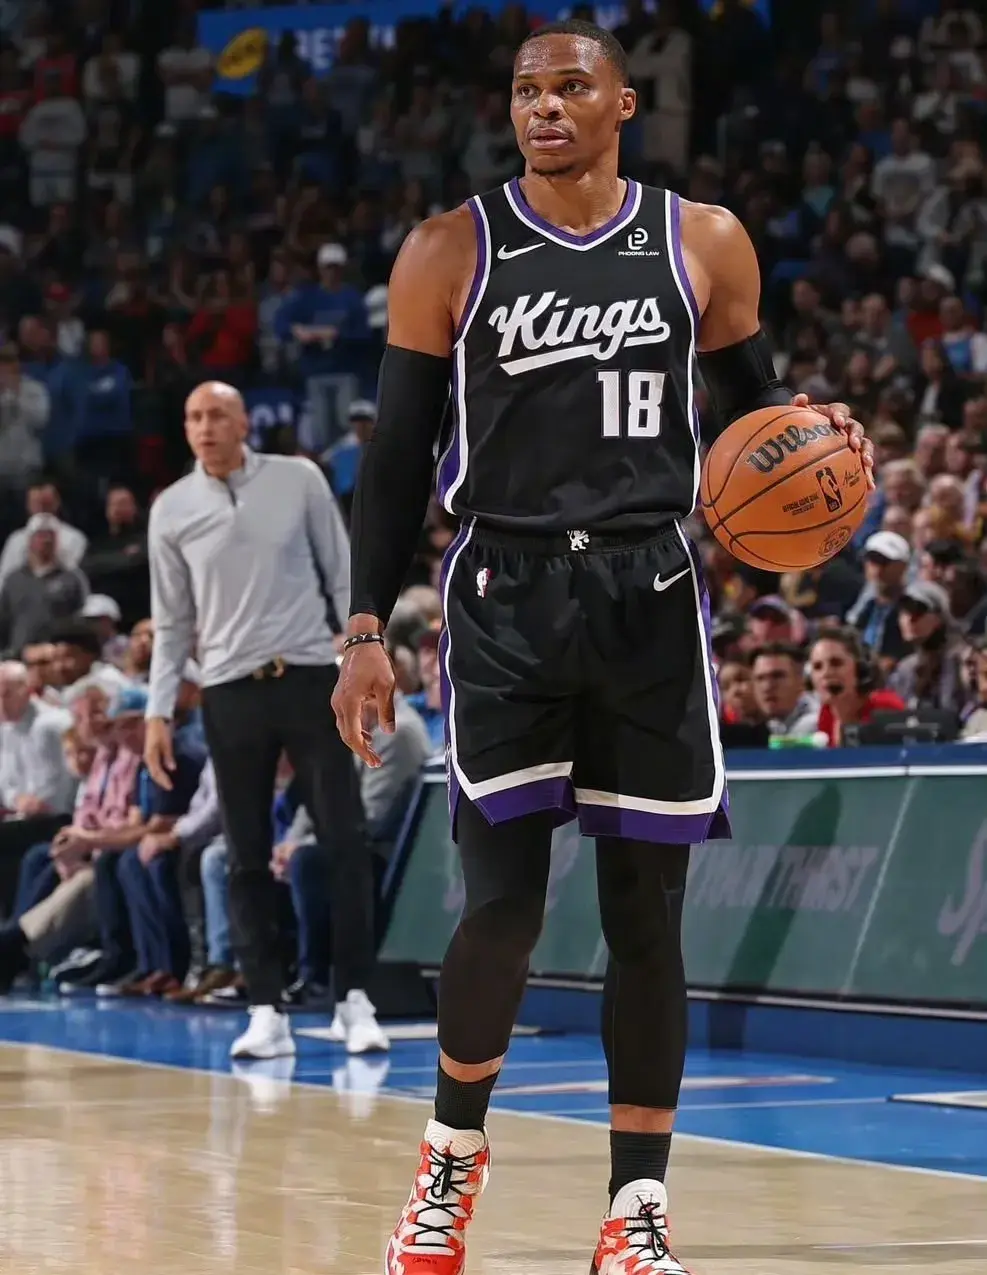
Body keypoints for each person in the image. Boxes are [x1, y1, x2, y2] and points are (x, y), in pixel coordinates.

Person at [330, 22, 872, 1275]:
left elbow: (755, 422)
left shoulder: (703, 241)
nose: (545, 107)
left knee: (646, 916)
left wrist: (816, 442)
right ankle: (448, 1165)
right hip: (503, 591)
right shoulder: (450, 248)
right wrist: (364, 627)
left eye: (572, 86)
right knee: (502, 911)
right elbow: (398, 456)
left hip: (650, 591)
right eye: (527, 90)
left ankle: (636, 1212)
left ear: (624, 103)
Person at [145, 381, 388, 1060]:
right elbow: (172, 623)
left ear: (244, 422)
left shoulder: (298, 478)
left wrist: (362, 653)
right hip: (227, 690)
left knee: (343, 837)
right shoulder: (170, 508)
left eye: (217, 414)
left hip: (309, 675)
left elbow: (341, 573)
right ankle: (265, 1008)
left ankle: (354, 999)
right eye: (193, 417)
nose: (205, 427)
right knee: (244, 853)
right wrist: (158, 710)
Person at [0, 515, 88, 653]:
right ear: (30, 540)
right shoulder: (14, 579)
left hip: (58, 654)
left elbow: (82, 617)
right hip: (19, 653)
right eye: (40, 535)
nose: (46, 540)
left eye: (50, 535)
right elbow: (4, 620)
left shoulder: (72, 578)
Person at [809, 630, 906, 746]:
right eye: (817, 667)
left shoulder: (885, 707)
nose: (826, 673)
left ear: (860, 670)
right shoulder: (827, 713)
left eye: (836, 663)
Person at [751, 644, 821, 738]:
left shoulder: (817, 725)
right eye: (760, 678)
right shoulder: (770, 725)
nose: (767, 686)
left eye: (777, 676)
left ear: (801, 681)